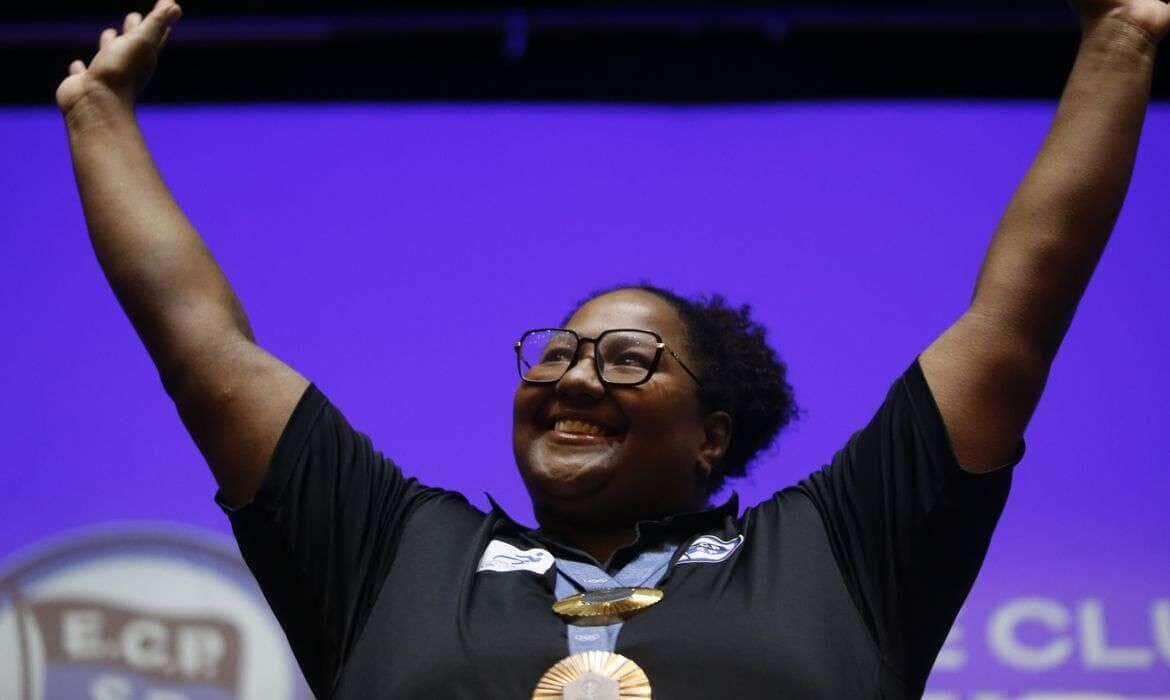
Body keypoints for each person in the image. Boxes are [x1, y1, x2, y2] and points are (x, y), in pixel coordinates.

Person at [56, 0, 1167, 697]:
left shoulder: (840, 546)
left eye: (631, 358)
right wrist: (98, 113)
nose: (576, 372)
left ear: (711, 435)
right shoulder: (389, 551)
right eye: (556, 352)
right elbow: (202, 345)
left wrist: (1117, 39)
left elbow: (1015, 320)